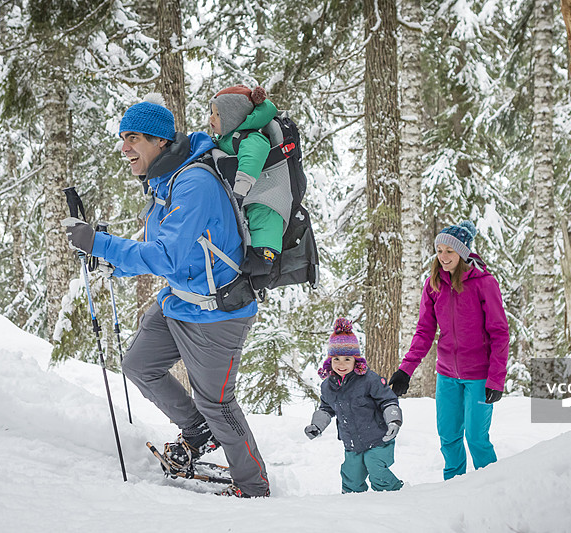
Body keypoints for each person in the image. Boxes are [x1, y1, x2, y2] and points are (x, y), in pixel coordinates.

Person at [61, 96, 269, 498]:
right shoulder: (165, 182)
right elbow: (167, 252)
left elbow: (166, 255)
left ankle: (253, 485)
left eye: (133, 137)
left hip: (217, 313)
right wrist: (110, 263)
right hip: (180, 300)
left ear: (159, 141)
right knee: (139, 365)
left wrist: (100, 243)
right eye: (123, 138)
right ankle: (197, 432)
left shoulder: (194, 183)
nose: (125, 147)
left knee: (218, 404)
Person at [388, 221, 509, 480]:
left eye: (449, 252)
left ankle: (492, 486)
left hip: (478, 376)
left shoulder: (484, 283)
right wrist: (405, 370)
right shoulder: (433, 285)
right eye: (439, 250)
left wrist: (496, 379)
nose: (443, 257)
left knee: (476, 438)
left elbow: (500, 333)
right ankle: (453, 488)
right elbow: (424, 332)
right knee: (449, 438)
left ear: (463, 253)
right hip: (447, 376)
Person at [304, 318, 404, 493]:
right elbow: (326, 409)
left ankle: (395, 496)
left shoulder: (369, 380)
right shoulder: (328, 386)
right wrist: (316, 426)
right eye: (336, 359)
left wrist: (394, 420)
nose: (341, 364)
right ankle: (351, 507)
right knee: (351, 477)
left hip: (378, 438)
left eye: (347, 359)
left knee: (377, 471)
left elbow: (388, 400)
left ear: (356, 360)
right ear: (330, 360)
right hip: (352, 443)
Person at [208, 84, 285, 289]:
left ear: (233, 117)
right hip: (247, 196)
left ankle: (264, 260)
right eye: (212, 113)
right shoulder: (227, 138)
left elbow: (252, 159)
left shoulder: (251, 138)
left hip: (265, 195)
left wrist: (241, 188)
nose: (211, 118)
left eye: (217, 114)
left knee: (264, 221)